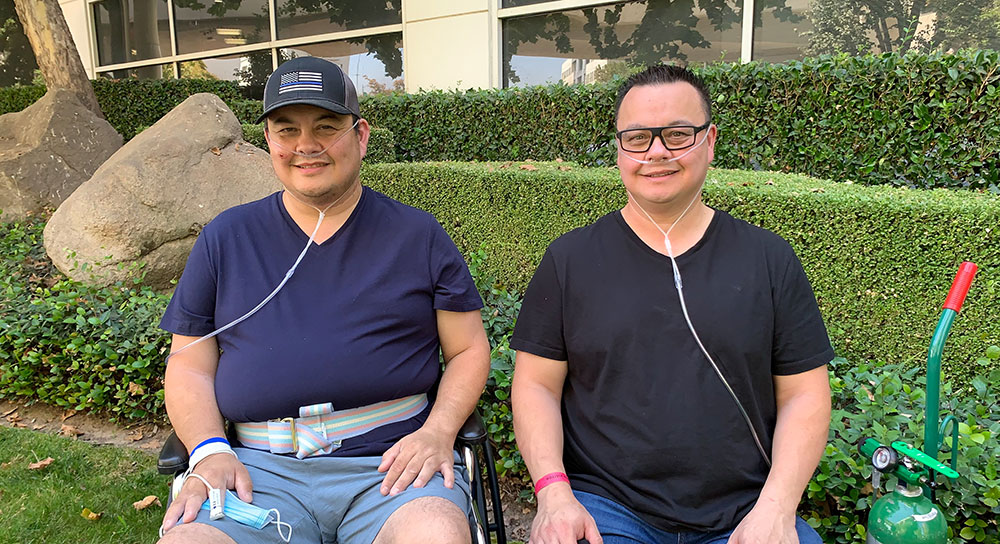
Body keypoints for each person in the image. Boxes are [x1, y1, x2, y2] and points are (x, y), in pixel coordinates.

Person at [156, 56, 490, 544]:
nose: (305, 146)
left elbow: (468, 350)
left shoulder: (417, 235)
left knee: (435, 535)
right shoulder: (226, 238)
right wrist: (209, 450)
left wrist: (438, 431)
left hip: (392, 467)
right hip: (257, 475)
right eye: (286, 129)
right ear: (268, 141)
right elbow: (189, 365)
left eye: (326, 127)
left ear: (361, 135)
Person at [510, 64, 833, 544]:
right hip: (606, 507)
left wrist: (777, 507)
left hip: (746, 510)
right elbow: (535, 385)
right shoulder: (569, 260)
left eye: (678, 134)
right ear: (619, 149)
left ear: (710, 140)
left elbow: (804, 393)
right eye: (637, 137)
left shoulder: (769, 259)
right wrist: (555, 495)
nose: (657, 152)